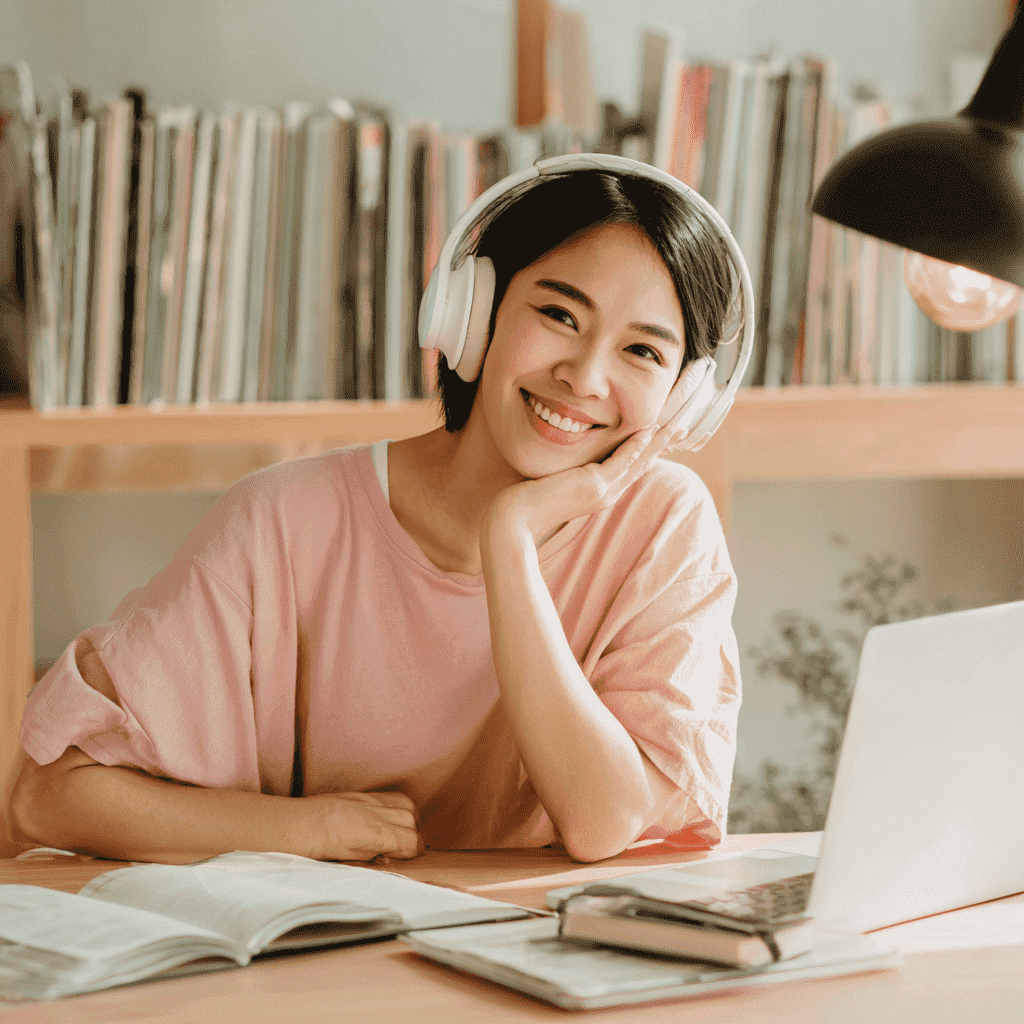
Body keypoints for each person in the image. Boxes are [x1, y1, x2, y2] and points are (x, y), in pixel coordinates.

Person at [10, 160, 743, 865]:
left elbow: (603, 819)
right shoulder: (285, 520)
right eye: (558, 313)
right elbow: (51, 797)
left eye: (642, 353)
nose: (584, 376)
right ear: (474, 314)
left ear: (684, 398)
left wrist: (510, 541)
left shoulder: (665, 527)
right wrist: (309, 829)